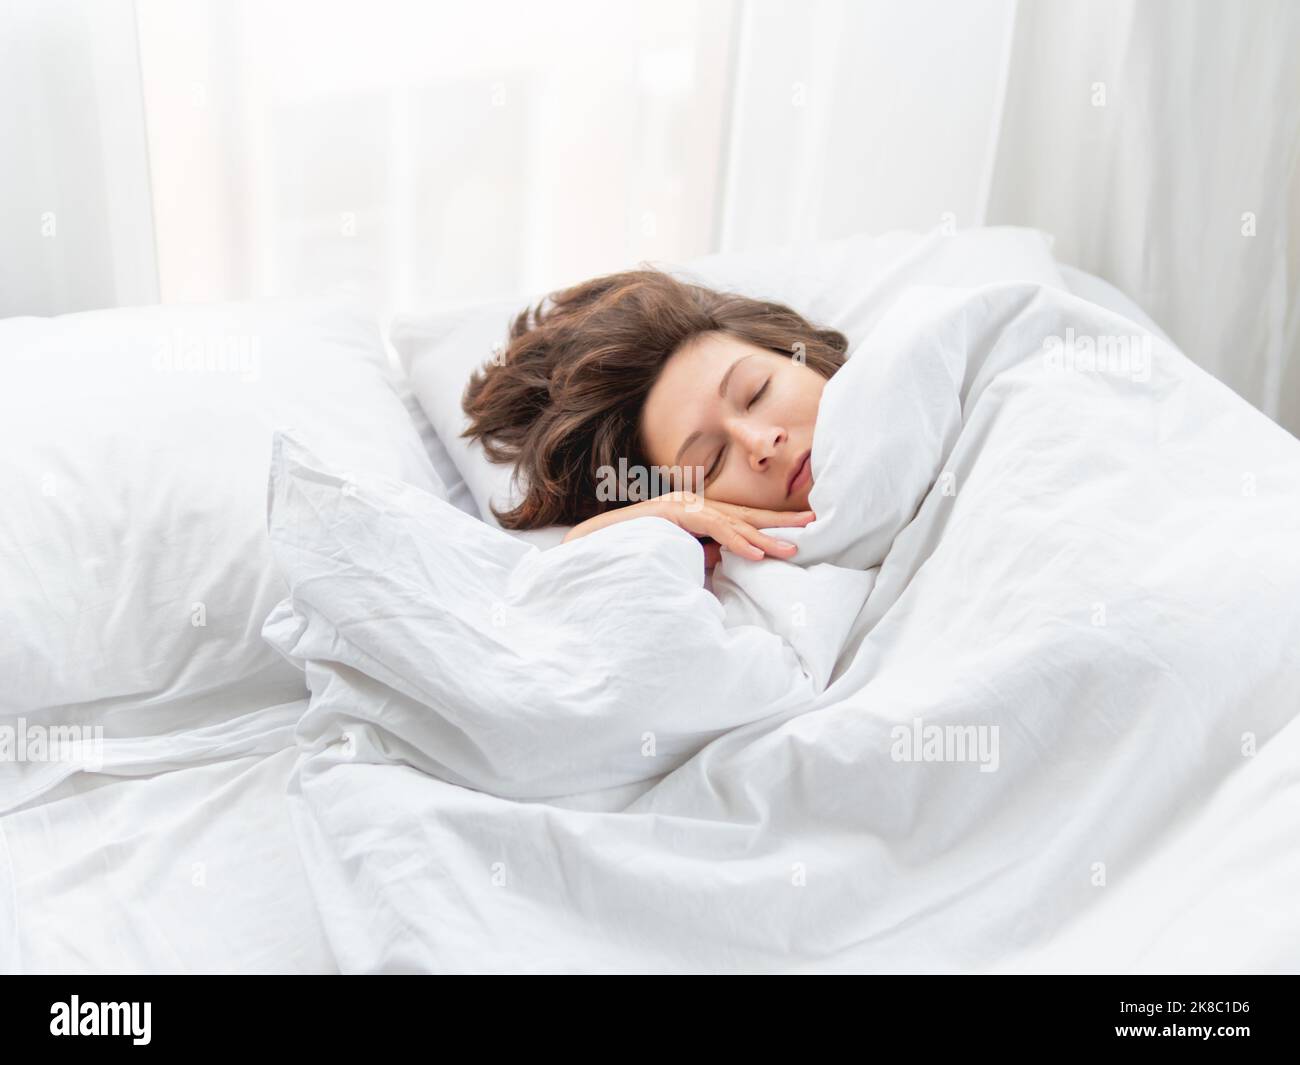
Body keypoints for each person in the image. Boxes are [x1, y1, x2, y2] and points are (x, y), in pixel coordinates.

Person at [462, 267, 848, 570]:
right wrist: (640, 528)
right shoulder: (737, 589)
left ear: (797, 352)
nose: (761, 443)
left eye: (757, 391)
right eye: (710, 462)